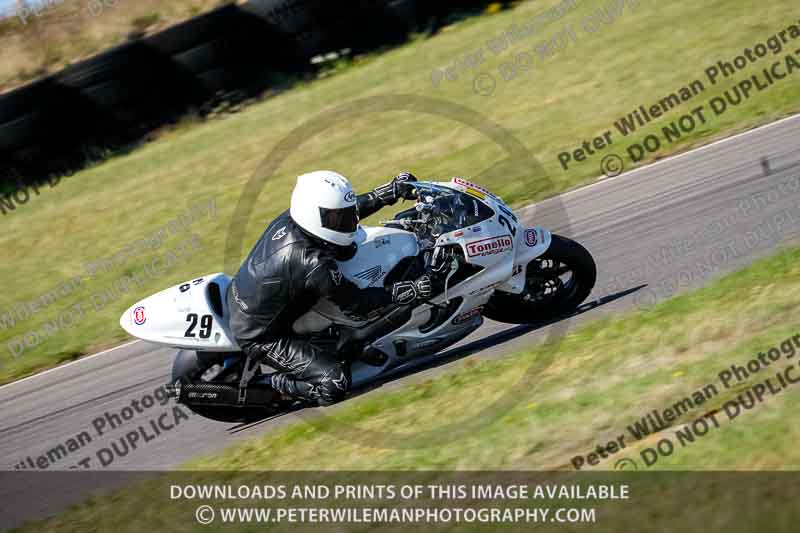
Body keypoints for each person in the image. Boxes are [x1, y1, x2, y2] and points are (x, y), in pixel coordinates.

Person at [227, 170, 432, 406]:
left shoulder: (295, 218)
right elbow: (357, 306)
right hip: (260, 335)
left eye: (344, 216)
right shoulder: (312, 262)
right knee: (334, 384)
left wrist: (385, 194)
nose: (348, 223)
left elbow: (345, 216)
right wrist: (407, 290)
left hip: (252, 296)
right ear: (315, 216)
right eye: (338, 219)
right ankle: (271, 385)